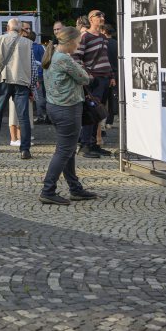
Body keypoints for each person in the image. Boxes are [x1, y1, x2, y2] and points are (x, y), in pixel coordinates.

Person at [38, 26, 99, 205]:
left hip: (55, 107)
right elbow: (85, 78)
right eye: (79, 42)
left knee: (68, 150)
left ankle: (75, 188)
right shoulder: (64, 59)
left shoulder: (52, 55)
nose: (79, 46)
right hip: (67, 109)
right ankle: (48, 190)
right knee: (64, 151)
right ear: (71, 41)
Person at [0, 18, 38, 158]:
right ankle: (25, 149)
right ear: (20, 29)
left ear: (8, 28)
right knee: (23, 117)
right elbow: (33, 66)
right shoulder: (28, 43)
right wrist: (32, 86)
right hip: (22, 82)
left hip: (3, 80)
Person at [73, 10, 112, 159]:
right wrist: (86, 74)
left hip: (104, 78)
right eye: (98, 16)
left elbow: (105, 57)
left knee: (98, 113)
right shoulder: (85, 36)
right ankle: (84, 145)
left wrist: (111, 75)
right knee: (91, 113)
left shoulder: (102, 37)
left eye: (103, 15)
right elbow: (76, 57)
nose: (102, 17)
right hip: (93, 79)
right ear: (91, 19)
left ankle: (94, 144)